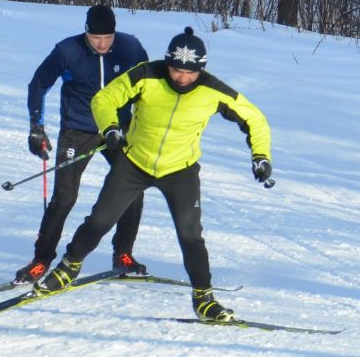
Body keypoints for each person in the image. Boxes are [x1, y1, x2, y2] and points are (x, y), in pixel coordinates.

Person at [35, 27, 274, 323]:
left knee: (190, 235)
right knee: (100, 220)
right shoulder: (146, 74)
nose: (182, 79)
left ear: (202, 69)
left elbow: (256, 119)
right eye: (176, 70)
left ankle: (204, 298)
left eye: (190, 73)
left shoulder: (214, 91)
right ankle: (69, 266)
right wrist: (110, 126)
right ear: (167, 63)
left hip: (180, 171)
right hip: (134, 163)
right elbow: (104, 99)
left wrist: (261, 156)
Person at [21, 4, 151, 283]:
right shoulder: (68, 51)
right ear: (86, 33)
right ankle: (41, 260)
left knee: (132, 191)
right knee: (64, 197)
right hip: (78, 130)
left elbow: (148, 87)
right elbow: (38, 85)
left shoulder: (130, 48)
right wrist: (37, 128)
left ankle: (123, 254)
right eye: (96, 38)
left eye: (108, 38)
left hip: (118, 128)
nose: (103, 44)